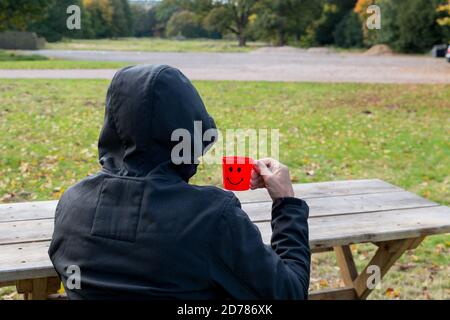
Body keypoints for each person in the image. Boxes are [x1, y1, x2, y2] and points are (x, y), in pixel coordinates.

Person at [49, 64, 310, 299]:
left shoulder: (71, 204)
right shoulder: (211, 216)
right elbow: (290, 293)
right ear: (191, 130)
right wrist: (287, 203)